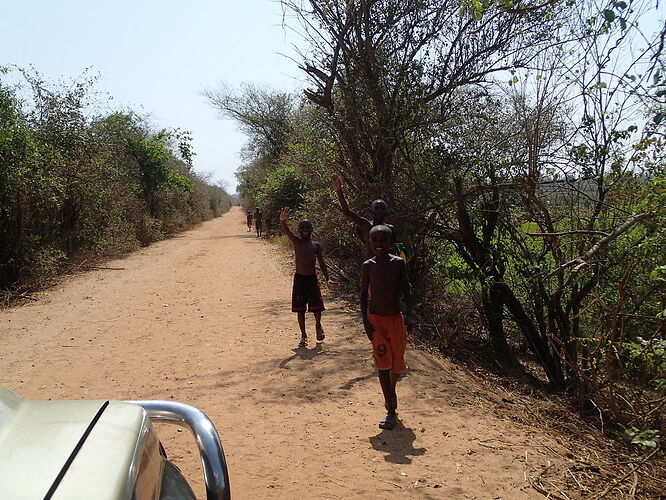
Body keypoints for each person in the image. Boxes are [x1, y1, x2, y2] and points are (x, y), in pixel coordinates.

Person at [361, 224, 412, 430]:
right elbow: (363, 296)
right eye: (375, 241)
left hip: (395, 321)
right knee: (383, 365)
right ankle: (390, 409)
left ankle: (392, 389)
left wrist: (409, 315)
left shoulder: (399, 264)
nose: (379, 244)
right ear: (370, 243)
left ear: (390, 243)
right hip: (376, 321)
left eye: (383, 241)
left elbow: (406, 291)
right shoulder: (368, 266)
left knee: (396, 365)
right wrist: (365, 322)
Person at [280, 207, 335, 347]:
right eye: (302, 227)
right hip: (299, 280)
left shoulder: (316, 245)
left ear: (312, 229)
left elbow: (322, 263)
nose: (304, 229)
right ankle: (303, 335)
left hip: (312, 279)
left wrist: (327, 278)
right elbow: (286, 231)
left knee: (317, 307)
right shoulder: (297, 242)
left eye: (307, 227)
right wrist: (283, 221)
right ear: (298, 230)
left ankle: (318, 325)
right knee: (300, 310)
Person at [331, 173, 396, 258]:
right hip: (370, 268)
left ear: (386, 211)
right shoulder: (367, 225)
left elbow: (394, 250)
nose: (379, 210)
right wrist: (339, 191)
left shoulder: (390, 229)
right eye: (376, 207)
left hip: (387, 268)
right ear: (371, 211)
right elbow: (347, 211)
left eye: (382, 208)